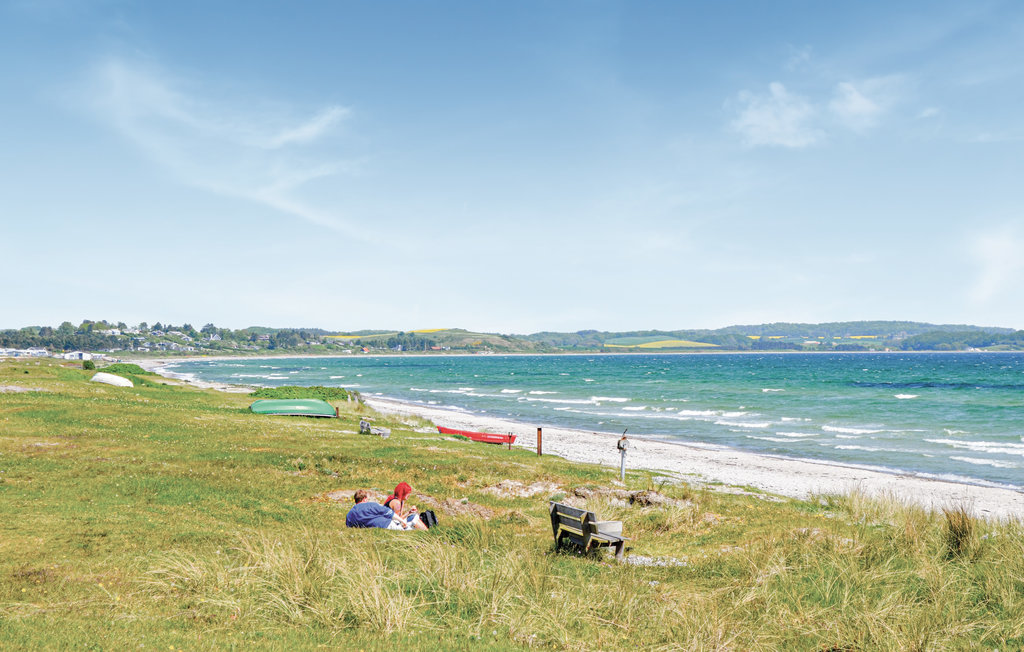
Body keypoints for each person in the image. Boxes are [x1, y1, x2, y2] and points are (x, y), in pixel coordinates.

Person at [345, 489, 417, 531]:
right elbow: (389, 513)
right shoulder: (371, 505)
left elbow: (349, 527)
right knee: (414, 518)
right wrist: (402, 522)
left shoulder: (349, 514)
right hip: (385, 524)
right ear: (364, 499)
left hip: (374, 528)